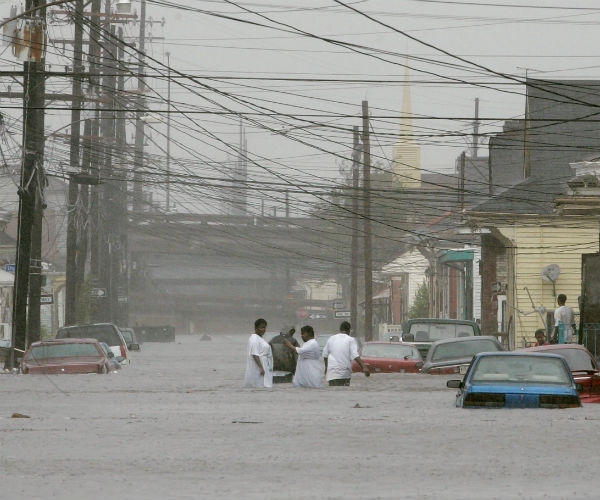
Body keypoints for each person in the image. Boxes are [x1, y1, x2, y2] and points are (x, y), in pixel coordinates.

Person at [322, 321, 369, 386]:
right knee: (343, 393)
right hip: (344, 372)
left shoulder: (331, 338)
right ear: (349, 330)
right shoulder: (350, 340)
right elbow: (355, 355)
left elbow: (325, 354)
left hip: (331, 373)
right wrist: (364, 367)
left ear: (340, 329)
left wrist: (326, 368)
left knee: (333, 393)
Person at [243, 318, 273, 388]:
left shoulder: (260, 338)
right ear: (256, 328)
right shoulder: (254, 339)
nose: (263, 330)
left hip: (265, 365)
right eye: (261, 327)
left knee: (264, 386)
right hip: (258, 368)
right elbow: (254, 354)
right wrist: (261, 368)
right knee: (259, 386)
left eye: (264, 327)